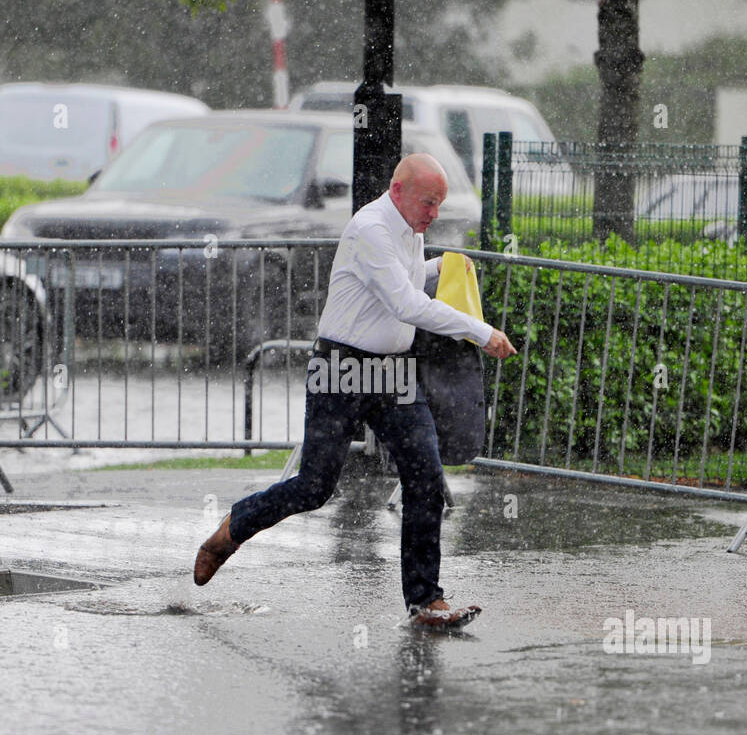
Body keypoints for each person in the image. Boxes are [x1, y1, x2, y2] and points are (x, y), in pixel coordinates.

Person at [193, 153, 517, 628]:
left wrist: (443, 267)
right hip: (341, 369)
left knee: (425, 476)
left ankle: (425, 600)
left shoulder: (410, 228)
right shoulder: (371, 228)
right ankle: (232, 530)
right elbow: (405, 303)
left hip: (393, 375)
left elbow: (406, 281)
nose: (435, 213)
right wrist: (479, 331)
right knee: (314, 487)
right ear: (398, 189)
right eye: (429, 202)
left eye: (440, 204)